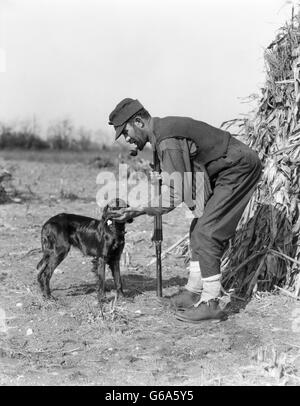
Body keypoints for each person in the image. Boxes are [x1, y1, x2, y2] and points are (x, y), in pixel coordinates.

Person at [107, 98, 262, 323]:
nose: (127, 139)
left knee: (207, 232)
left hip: (238, 167)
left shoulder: (166, 140)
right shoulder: (161, 135)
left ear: (139, 121)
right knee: (198, 225)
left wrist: (138, 209)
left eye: (126, 132)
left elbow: (176, 193)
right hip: (219, 171)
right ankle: (193, 292)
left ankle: (211, 303)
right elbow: (183, 182)